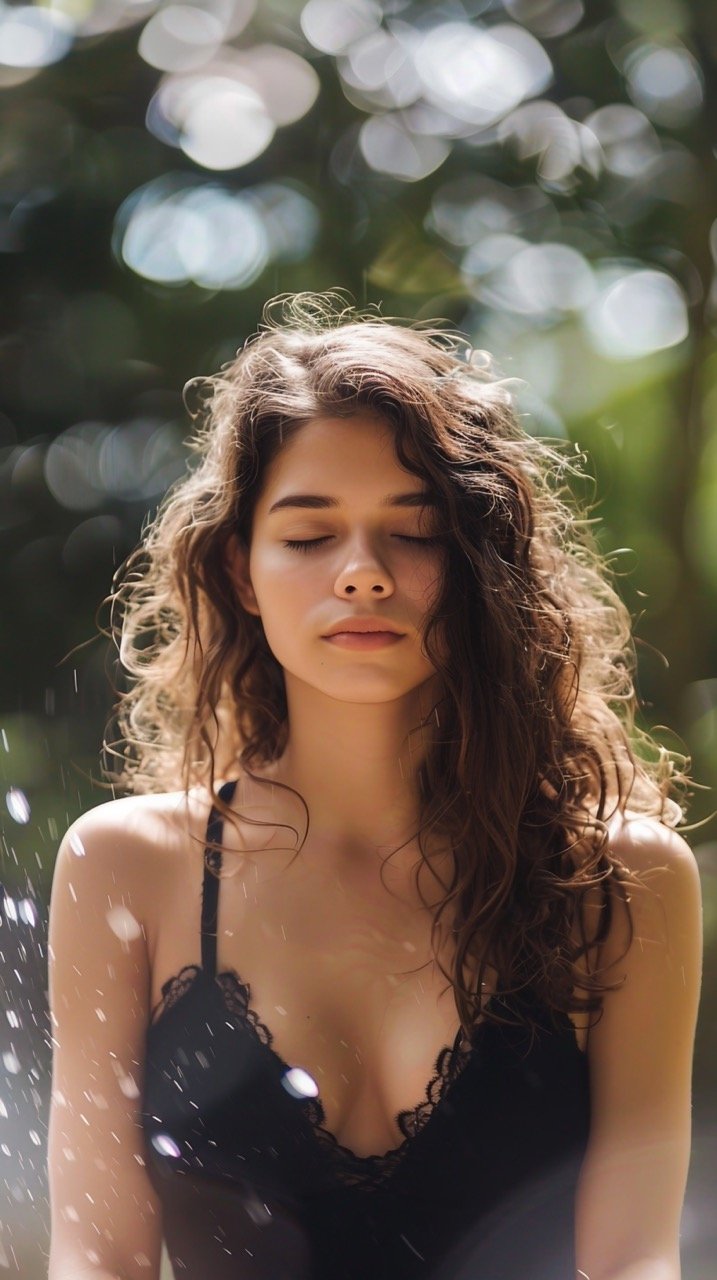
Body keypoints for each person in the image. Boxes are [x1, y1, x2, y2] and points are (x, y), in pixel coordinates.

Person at [46, 291, 702, 1280]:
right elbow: (96, 1256)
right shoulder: (126, 868)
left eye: (416, 529)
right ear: (238, 568)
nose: (361, 572)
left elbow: (635, 1261)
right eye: (310, 536)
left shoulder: (622, 880)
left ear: (485, 559)